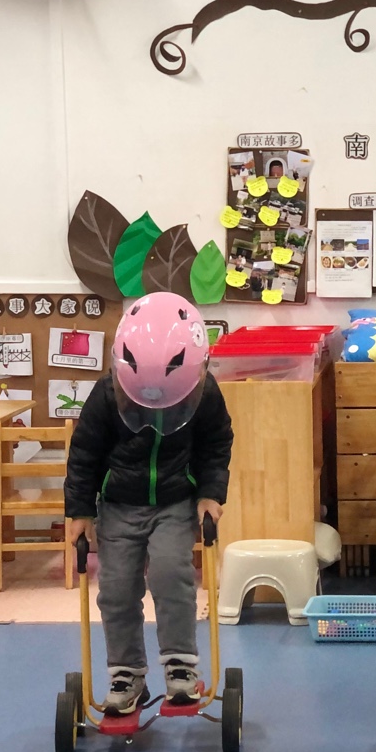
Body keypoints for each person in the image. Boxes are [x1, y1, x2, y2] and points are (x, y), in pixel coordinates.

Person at [64, 293, 233, 713]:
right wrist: (80, 510)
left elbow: (216, 444)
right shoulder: (107, 393)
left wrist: (210, 493)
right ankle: (126, 674)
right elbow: (84, 453)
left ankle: (181, 666)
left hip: (175, 502)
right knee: (117, 590)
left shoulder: (205, 393)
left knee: (171, 575)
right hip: (119, 505)